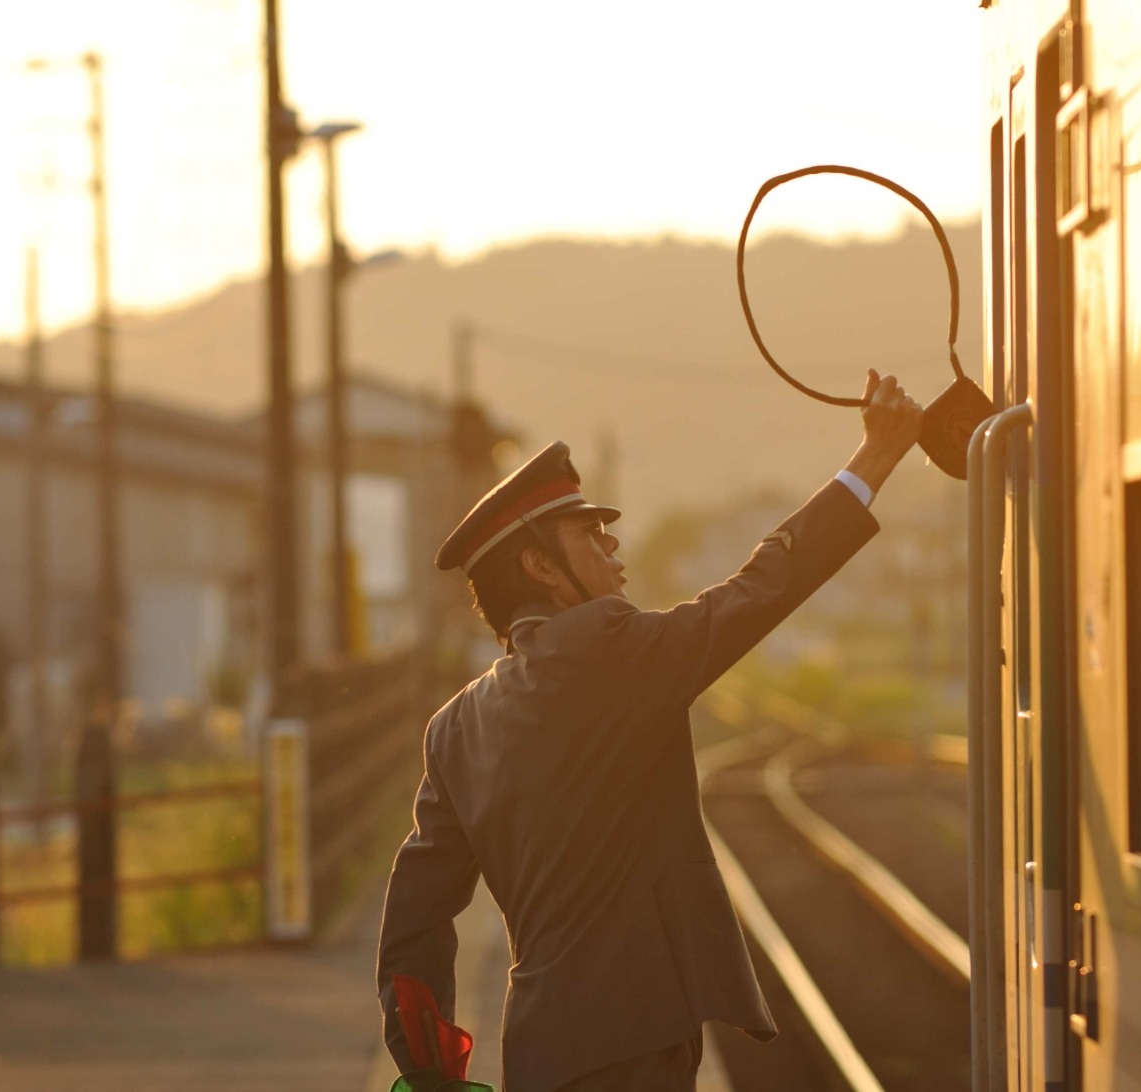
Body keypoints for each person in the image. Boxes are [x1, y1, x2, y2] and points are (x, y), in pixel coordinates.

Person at [376, 370, 923, 1091]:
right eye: (593, 538)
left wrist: (431, 1076)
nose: (617, 553)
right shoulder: (611, 650)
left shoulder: (454, 729)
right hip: (636, 1048)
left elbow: (412, 930)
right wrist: (873, 462)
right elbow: (760, 588)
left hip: (538, 1051)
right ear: (540, 566)